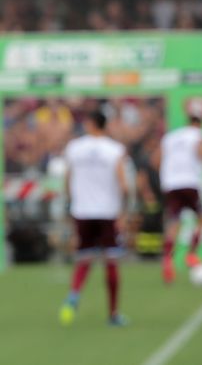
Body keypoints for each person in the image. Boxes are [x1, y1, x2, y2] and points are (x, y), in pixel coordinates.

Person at [58, 110, 128, 326]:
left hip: (83, 211)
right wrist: (124, 213)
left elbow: (68, 180)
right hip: (107, 212)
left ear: (90, 123)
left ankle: (74, 294)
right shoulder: (114, 149)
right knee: (111, 262)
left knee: (83, 258)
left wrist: (72, 205)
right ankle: (114, 313)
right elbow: (124, 185)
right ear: (105, 125)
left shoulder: (74, 148)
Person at [159, 115, 202, 283]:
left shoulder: (170, 137)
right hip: (189, 181)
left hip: (171, 182)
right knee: (201, 218)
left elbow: (159, 158)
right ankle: (191, 254)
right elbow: (200, 153)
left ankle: (167, 259)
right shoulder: (198, 134)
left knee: (174, 221)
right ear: (199, 123)